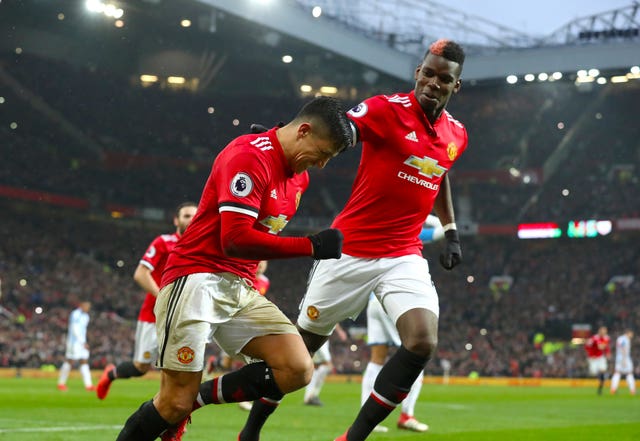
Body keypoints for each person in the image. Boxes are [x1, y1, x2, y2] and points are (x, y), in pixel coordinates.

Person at [240, 38, 468, 441]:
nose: (433, 83)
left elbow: (441, 172)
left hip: (404, 254)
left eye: (443, 78)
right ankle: (251, 431)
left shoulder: (457, 134)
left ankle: (352, 436)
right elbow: (341, 128)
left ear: (456, 86)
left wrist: (451, 232)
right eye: (428, 73)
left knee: (421, 341)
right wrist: (283, 137)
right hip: (349, 251)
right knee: (299, 353)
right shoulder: (385, 109)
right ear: (418, 73)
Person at [114, 95, 353, 441]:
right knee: (171, 403)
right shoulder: (249, 155)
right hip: (196, 277)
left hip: (240, 286)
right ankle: (183, 405)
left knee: (297, 368)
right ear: (303, 131)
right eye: (323, 153)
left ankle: (197, 399)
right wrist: (312, 246)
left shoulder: (298, 179)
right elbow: (235, 239)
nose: (321, 165)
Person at [96, 202, 198, 400]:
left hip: (183, 316)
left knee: (174, 366)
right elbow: (141, 274)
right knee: (141, 367)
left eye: (195, 215)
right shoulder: (164, 242)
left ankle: (169, 416)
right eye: (186, 216)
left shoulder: (202, 247)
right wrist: (165, 298)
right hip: (154, 315)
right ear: (176, 220)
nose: (191, 219)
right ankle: (110, 374)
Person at [361, 215, 444, 433]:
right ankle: (406, 415)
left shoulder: (381, 227)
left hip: (374, 299)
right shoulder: (408, 231)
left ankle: (366, 413)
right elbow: (441, 232)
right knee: (415, 357)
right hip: (396, 298)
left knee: (377, 358)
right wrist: (431, 217)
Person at [303, 323, 348, 406]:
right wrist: (340, 331)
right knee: (326, 365)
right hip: (317, 336)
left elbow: (333, 316)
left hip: (322, 336)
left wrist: (340, 331)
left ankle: (310, 396)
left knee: (316, 368)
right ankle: (311, 396)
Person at [57, 301, 94, 391]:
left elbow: (83, 330)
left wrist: (85, 341)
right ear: (81, 305)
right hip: (74, 342)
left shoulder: (86, 316)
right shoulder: (75, 314)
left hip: (82, 342)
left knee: (84, 361)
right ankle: (61, 383)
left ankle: (89, 385)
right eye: (86, 306)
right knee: (70, 361)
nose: (87, 308)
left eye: (89, 307)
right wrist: (82, 342)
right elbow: (74, 329)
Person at [584, 326, 611, 395]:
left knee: (603, 370)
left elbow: (606, 347)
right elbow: (587, 346)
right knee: (593, 373)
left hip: (600, 357)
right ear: (599, 331)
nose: (604, 332)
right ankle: (599, 379)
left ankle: (600, 389)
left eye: (605, 331)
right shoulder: (594, 338)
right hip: (593, 358)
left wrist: (608, 353)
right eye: (603, 331)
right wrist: (590, 354)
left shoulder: (606, 338)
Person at [610, 329, 635, 395]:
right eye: (631, 334)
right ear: (628, 333)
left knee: (617, 373)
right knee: (629, 373)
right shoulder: (625, 339)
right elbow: (622, 348)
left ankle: (613, 389)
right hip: (625, 358)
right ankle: (632, 390)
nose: (632, 335)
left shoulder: (620, 338)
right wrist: (624, 359)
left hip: (619, 358)